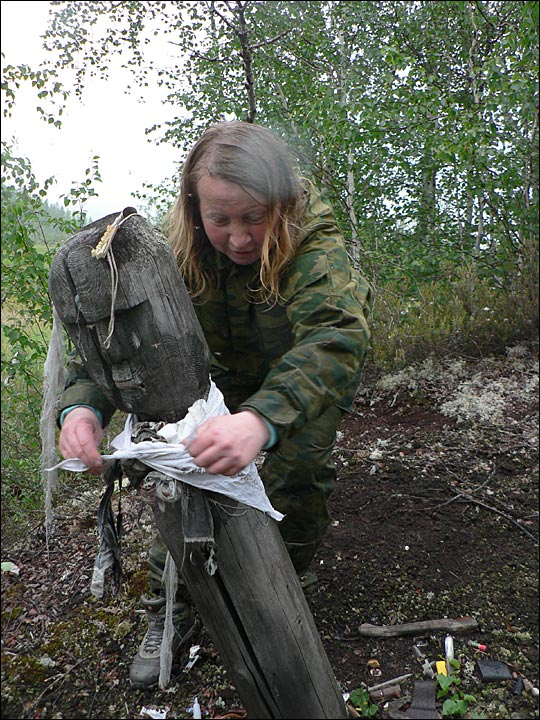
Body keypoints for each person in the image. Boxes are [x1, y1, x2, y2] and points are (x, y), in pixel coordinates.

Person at [57, 120, 372, 688]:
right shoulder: (167, 251)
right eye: (220, 219)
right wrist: (83, 409)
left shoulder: (313, 241)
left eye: (255, 217)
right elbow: (118, 337)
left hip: (297, 379)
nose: (240, 237)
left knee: (297, 477)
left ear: (282, 204)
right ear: (193, 207)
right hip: (214, 377)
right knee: (182, 475)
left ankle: (280, 588)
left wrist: (262, 419)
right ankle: (172, 607)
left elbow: (334, 336)